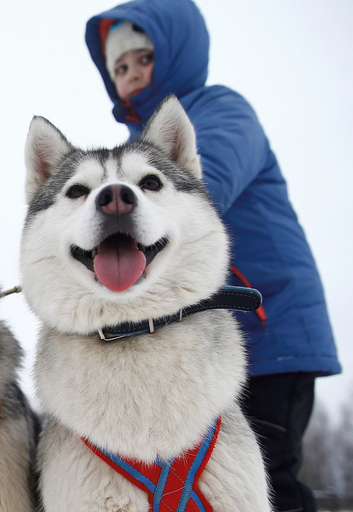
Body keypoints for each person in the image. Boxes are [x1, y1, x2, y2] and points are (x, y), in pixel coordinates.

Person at [84, 1, 342, 511]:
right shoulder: (135, 147)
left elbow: (200, 188)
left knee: (265, 478)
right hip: (203, 345)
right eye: (119, 68)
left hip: (267, 328)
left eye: (142, 59)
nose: (131, 75)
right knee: (204, 483)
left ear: (175, 53)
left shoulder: (219, 109)